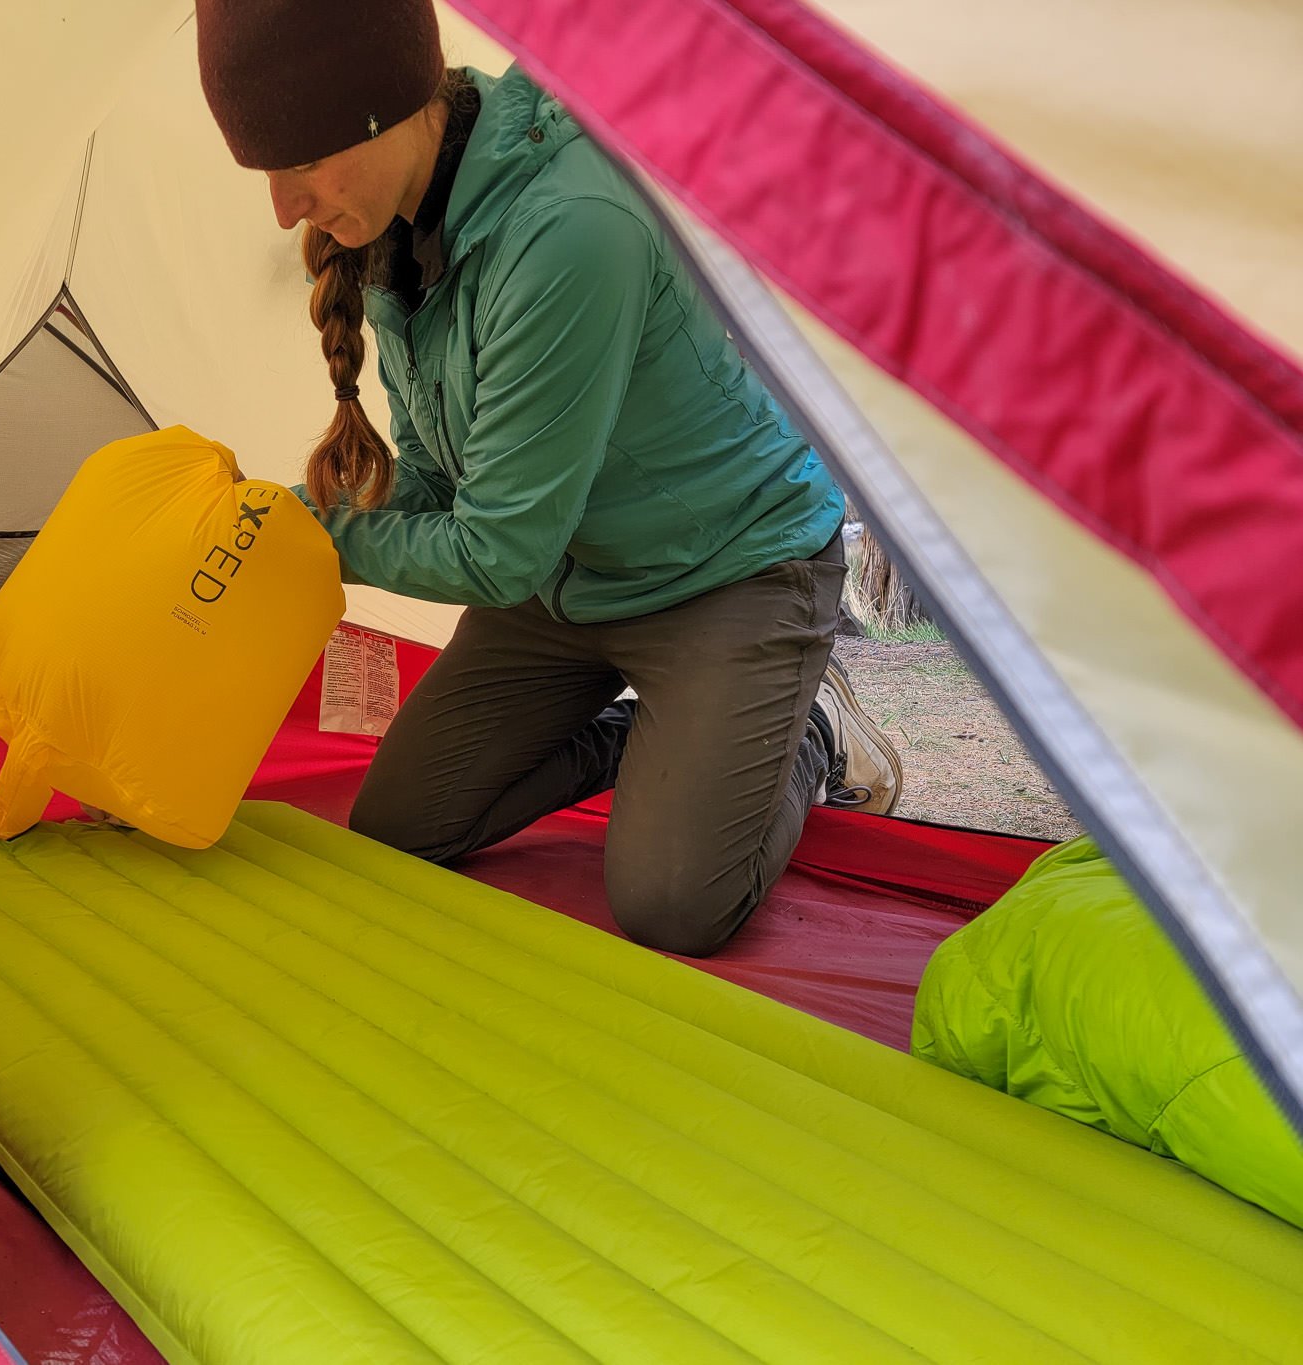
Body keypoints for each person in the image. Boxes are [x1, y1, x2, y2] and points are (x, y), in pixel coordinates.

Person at [194, 0, 902, 956]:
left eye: (300, 166)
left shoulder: (570, 226)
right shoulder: (400, 227)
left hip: (727, 570)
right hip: (566, 578)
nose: (283, 210)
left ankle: (805, 733)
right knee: (402, 826)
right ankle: (661, 743)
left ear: (387, 112)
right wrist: (276, 517)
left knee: (674, 904)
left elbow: (497, 551)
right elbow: (449, 487)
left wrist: (321, 538)